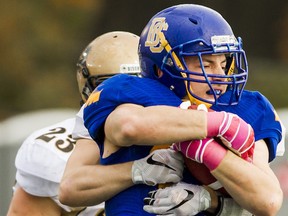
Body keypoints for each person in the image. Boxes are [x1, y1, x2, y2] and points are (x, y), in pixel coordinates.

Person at [77, 4, 284, 216]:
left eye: (224, 63)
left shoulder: (246, 106)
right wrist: (215, 124)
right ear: (163, 66)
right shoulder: (129, 90)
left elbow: (267, 201)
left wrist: (207, 152)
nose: (220, 75)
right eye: (206, 64)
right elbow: (128, 126)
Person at [7, 31, 183, 216]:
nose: (125, 98)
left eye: (138, 84)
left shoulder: (179, 131)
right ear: (88, 89)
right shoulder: (53, 152)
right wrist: (136, 171)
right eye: (110, 85)